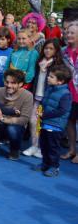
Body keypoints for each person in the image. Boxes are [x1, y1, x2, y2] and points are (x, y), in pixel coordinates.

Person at [25, 39, 64, 158]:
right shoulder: (39, 62)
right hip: (37, 96)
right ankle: (34, 145)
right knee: (33, 121)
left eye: (51, 48)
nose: (48, 50)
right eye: (46, 48)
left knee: (44, 123)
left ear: (56, 50)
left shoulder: (57, 65)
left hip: (48, 99)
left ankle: (42, 148)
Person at [36, 65, 73, 177]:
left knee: (53, 147)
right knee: (44, 145)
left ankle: (54, 166)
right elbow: (45, 102)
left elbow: (62, 111)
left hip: (55, 126)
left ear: (60, 81)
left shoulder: (66, 94)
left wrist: (44, 114)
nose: (48, 78)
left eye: (51, 77)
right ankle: (45, 163)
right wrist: (40, 109)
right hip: (45, 123)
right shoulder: (49, 89)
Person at [0, 69, 34, 160]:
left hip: (15, 126)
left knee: (12, 129)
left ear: (20, 84)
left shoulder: (28, 96)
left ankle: (14, 149)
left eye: (13, 83)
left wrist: (4, 119)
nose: (9, 85)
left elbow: (24, 119)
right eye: (7, 82)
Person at [60, 22, 78, 163]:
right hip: (67, 93)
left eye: (72, 33)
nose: (69, 35)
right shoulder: (63, 51)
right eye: (67, 32)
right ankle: (72, 149)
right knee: (69, 122)